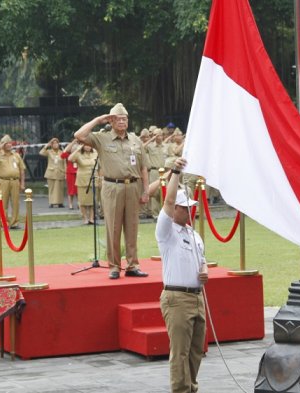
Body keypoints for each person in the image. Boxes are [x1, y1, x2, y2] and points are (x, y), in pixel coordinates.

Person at [74, 103, 150, 279]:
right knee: (113, 228)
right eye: (117, 119)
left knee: (132, 227)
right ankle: (114, 266)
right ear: (111, 121)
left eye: (124, 119)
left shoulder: (135, 140)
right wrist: (98, 120)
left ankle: (132, 265)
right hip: (111, 186)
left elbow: (144, 168)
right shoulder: (102, 138)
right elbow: (79, 135)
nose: (122, 122)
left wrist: (145, 191)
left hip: (132, 186)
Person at [156, 157, 208, 393]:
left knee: (197, 350)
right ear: (175, 209)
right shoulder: (167, 231)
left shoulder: (193, 233)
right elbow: (167, 201)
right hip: (177, 297)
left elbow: (202, 259)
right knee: (180, 352)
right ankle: (181, 390)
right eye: (185, 207)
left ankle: (191, 388)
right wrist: (175, 172)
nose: (189, 210)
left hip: (197, 297)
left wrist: (204, 270)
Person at [0, 134, 26, 229]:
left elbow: (22, 170)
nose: (9, 145)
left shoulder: (16, 155)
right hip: (3, 181)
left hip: (15, 181)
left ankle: (14, 223)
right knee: (3, 203)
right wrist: (0, 147)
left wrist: (22, 184)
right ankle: (4, 222)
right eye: (6, 143)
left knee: (15, 203)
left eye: (10, 142)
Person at [69, 142, 99, 224]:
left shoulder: (95, 153)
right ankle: (85, 218)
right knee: (83, 201)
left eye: (89, 144)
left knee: (93, 201)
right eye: (86, 145)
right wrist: (77, 149)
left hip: (93, 178)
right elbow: (70, 159)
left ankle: (91, 218)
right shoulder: (78, 154)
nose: (88, 147)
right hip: (82, 179)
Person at [39, 137, 67, 208]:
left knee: (60, 188)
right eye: (53, 143)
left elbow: (64, 163)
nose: (55, 145)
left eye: (56, 143)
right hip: (51, 172)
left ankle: (60, 202)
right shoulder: (49, 151)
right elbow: (41, 153)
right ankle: (52, 202)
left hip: (60, 172)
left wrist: (65, 172)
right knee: (51, 188)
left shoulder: (62, 152)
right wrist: (47, 145)